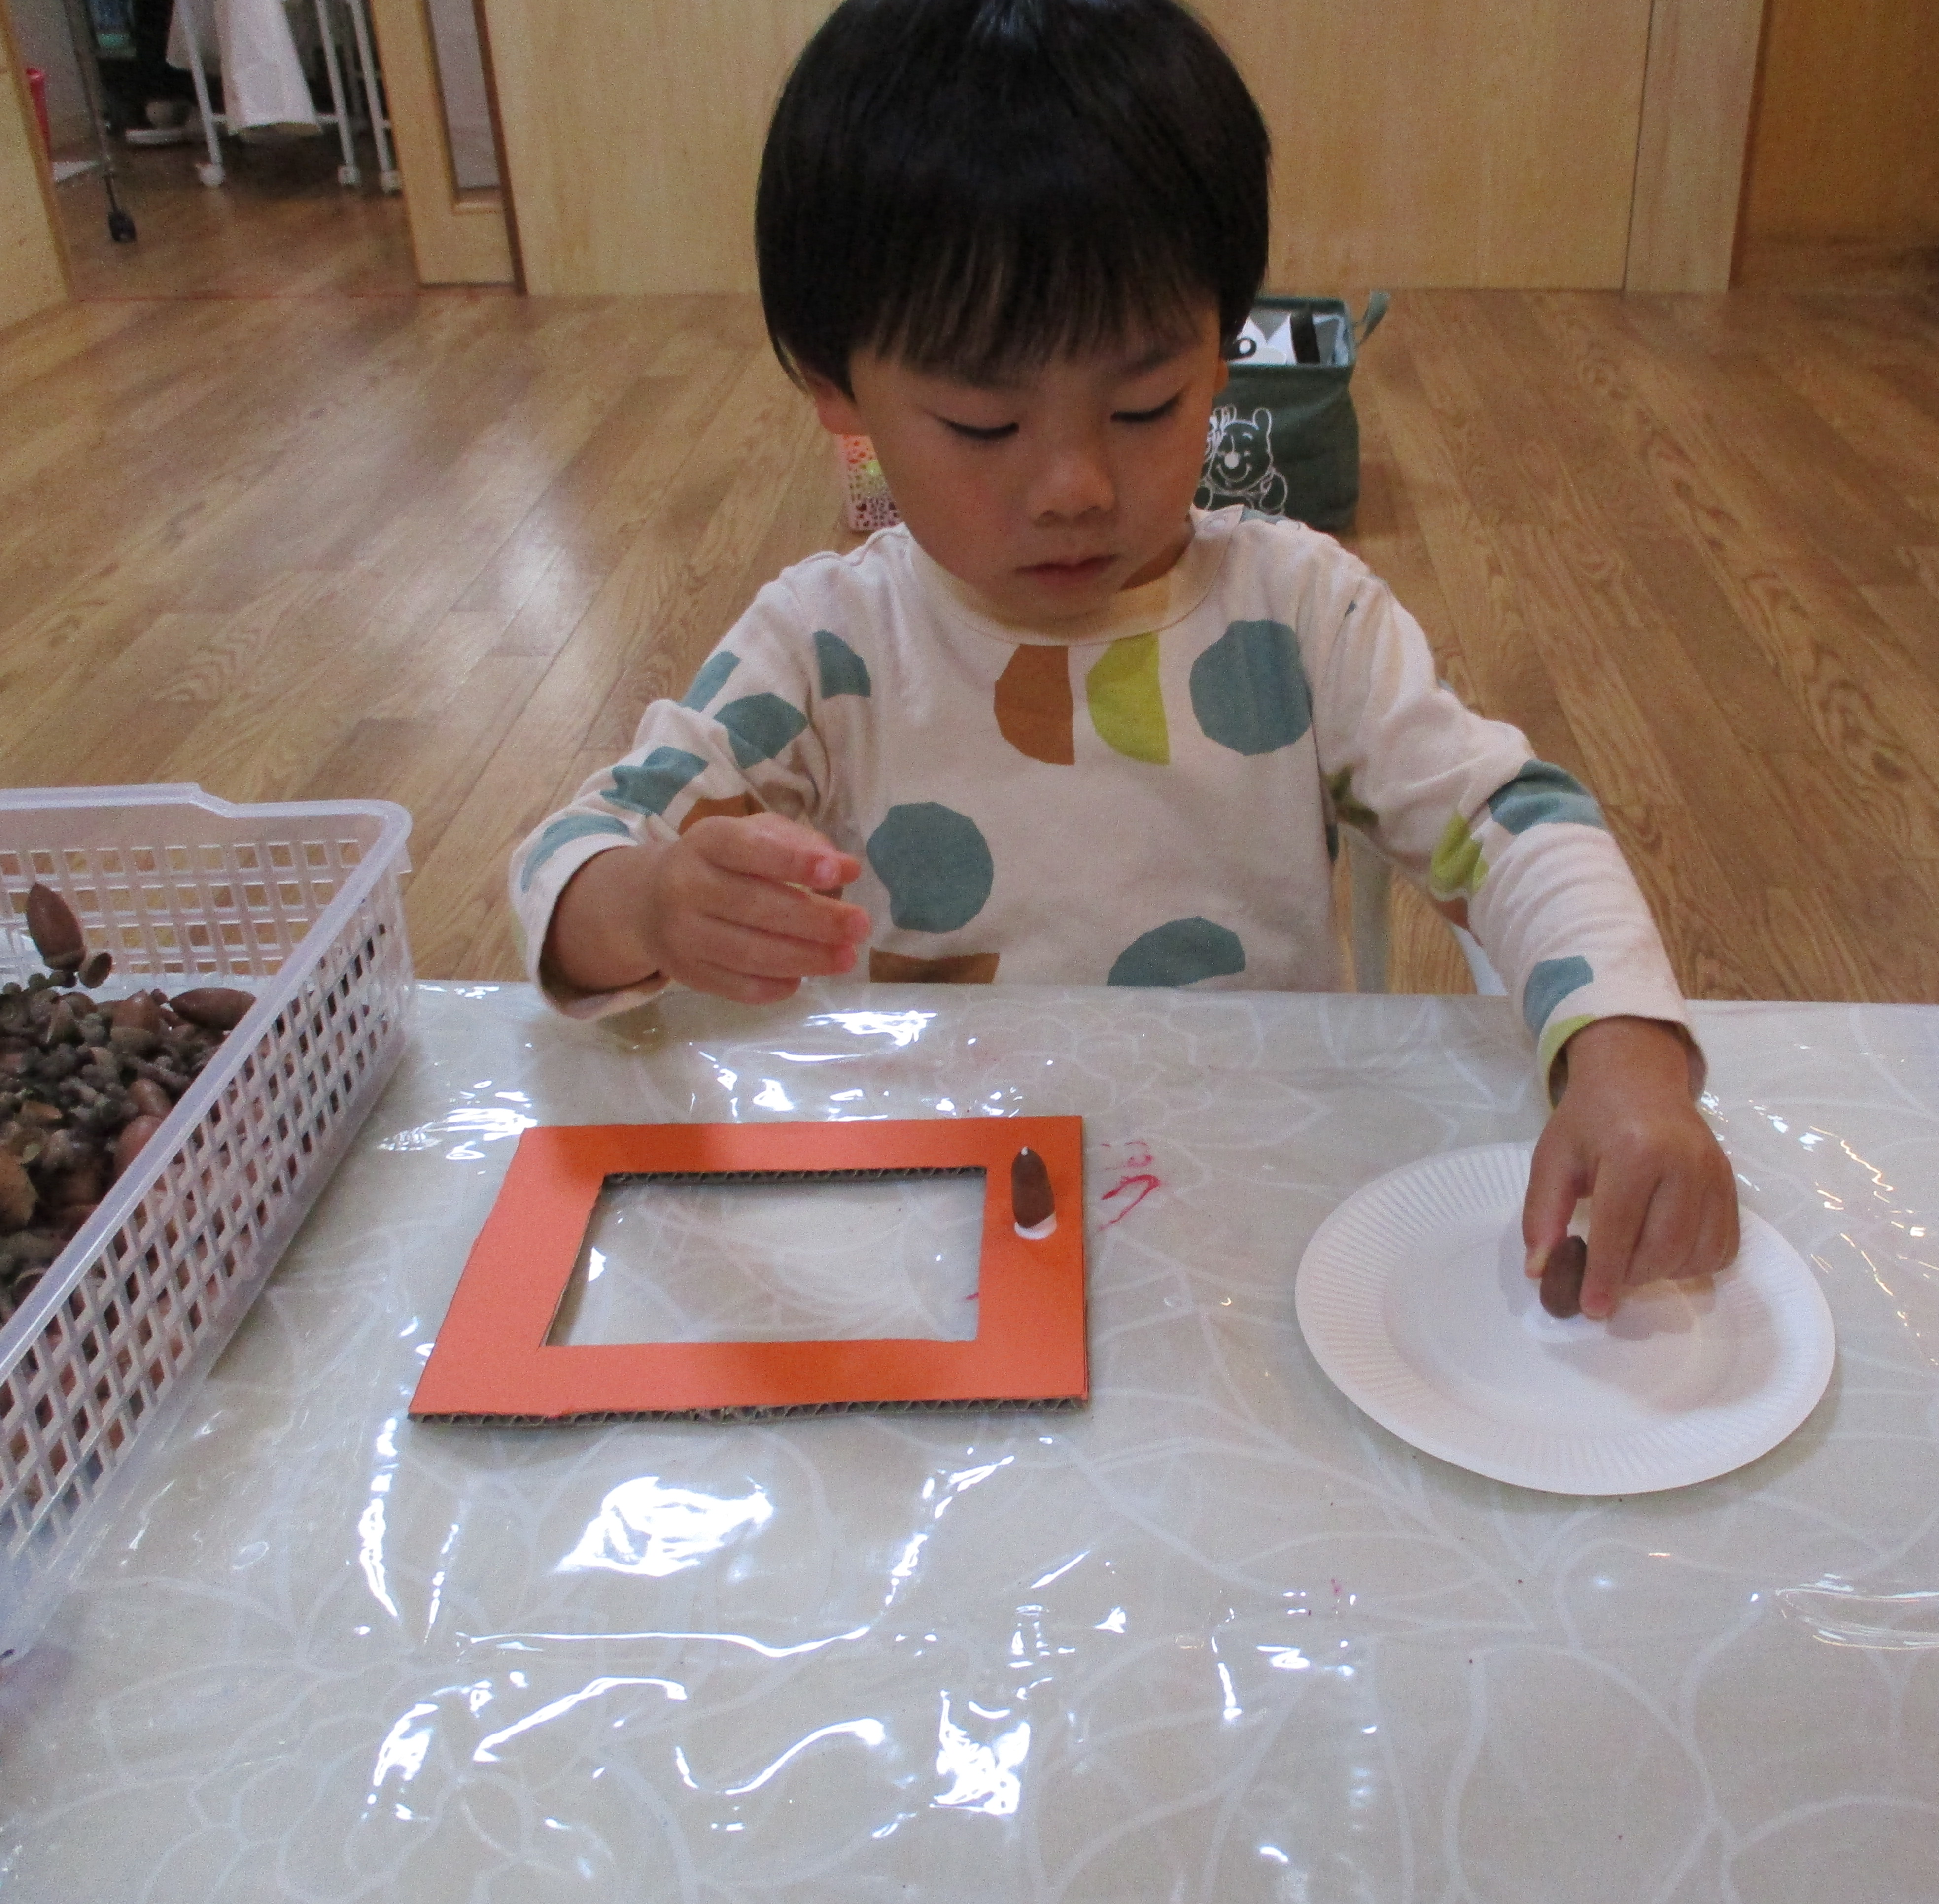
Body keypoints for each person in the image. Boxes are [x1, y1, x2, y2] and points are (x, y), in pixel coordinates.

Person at [513, 0, 1736, 1319]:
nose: (1076, 487)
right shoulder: (825, 649)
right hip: (948, 1231)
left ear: (1224, 346)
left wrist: (1626, 1056)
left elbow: (1509, 823)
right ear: (834, 384)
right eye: (985, 425)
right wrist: (648, 904)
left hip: (1253, 1218)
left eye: (1147, 405)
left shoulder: (1299, 617)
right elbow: (571, 858)